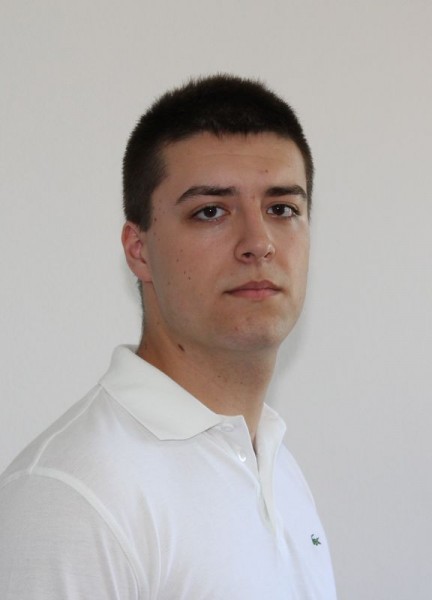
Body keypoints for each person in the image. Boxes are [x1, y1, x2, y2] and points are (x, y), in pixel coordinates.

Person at [0, 75, 337, 599]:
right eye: (210, 211)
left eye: (282, 209)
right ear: (138, 250)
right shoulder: (72, 497)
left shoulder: (276, 466)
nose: (258, 242)